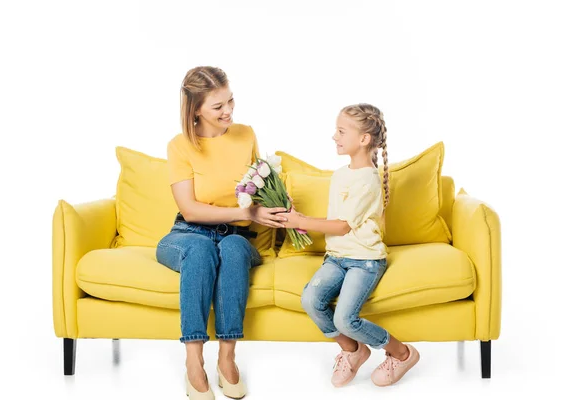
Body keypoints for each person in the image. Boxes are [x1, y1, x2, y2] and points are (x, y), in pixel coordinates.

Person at [156, 66, 287, 399]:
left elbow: (260, 184)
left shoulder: (246, 134)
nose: (228, 110)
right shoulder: (180, 145)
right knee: (201, 252)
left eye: (230, 101)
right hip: (188, 234)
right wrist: (246, 211)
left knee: (230, 250)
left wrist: (276, 204)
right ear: (195, 109)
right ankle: (193, 361)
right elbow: (190, 209)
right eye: (217, 106)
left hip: (237, 236)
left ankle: (227, 357)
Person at [278, 103, 420, 388]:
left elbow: (343, 225)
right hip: (336, 257)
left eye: (341, 131)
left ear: (364, 139)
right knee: (310, 300)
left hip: (365, 260)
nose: (334, 136)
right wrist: (297, 216)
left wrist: (299, 221)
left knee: (345, 319)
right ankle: (353, 351)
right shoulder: (342, 174)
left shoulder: (367, 179)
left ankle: (402, 353)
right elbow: (335, 221)